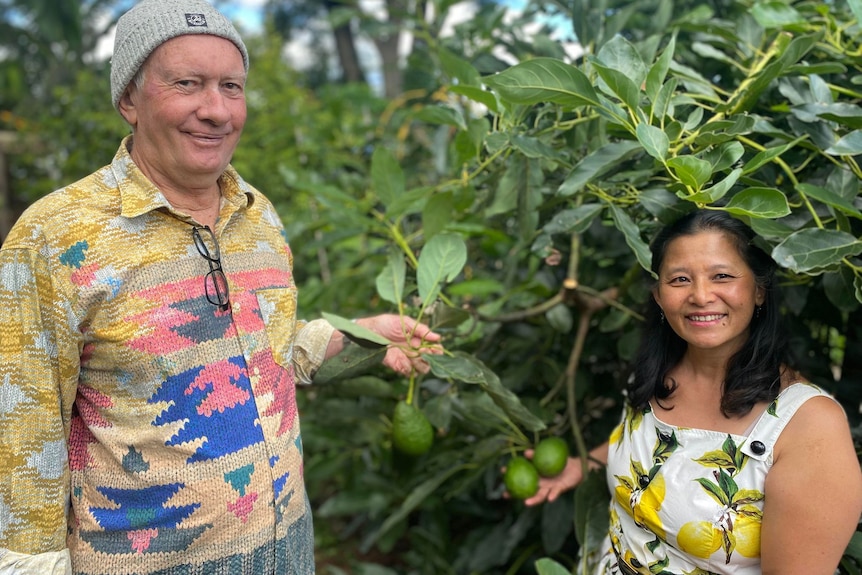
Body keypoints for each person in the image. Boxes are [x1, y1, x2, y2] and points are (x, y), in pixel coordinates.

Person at [0, 1, 440, 573]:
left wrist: (364, 337)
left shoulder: (258, 217)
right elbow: (22, 430)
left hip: (287, 549)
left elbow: (269, 352)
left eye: (231, 86)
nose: (216, 110)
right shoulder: (54, 237)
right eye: (187, 83)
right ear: (129, 100)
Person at [522, 209, 862, 574]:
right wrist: (584, 464)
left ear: (759, 290)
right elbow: (656, 447)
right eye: (680, 279)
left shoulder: (810, 427)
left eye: (722, 276)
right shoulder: (653, 375)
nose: (701, 296)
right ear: (658, 295)